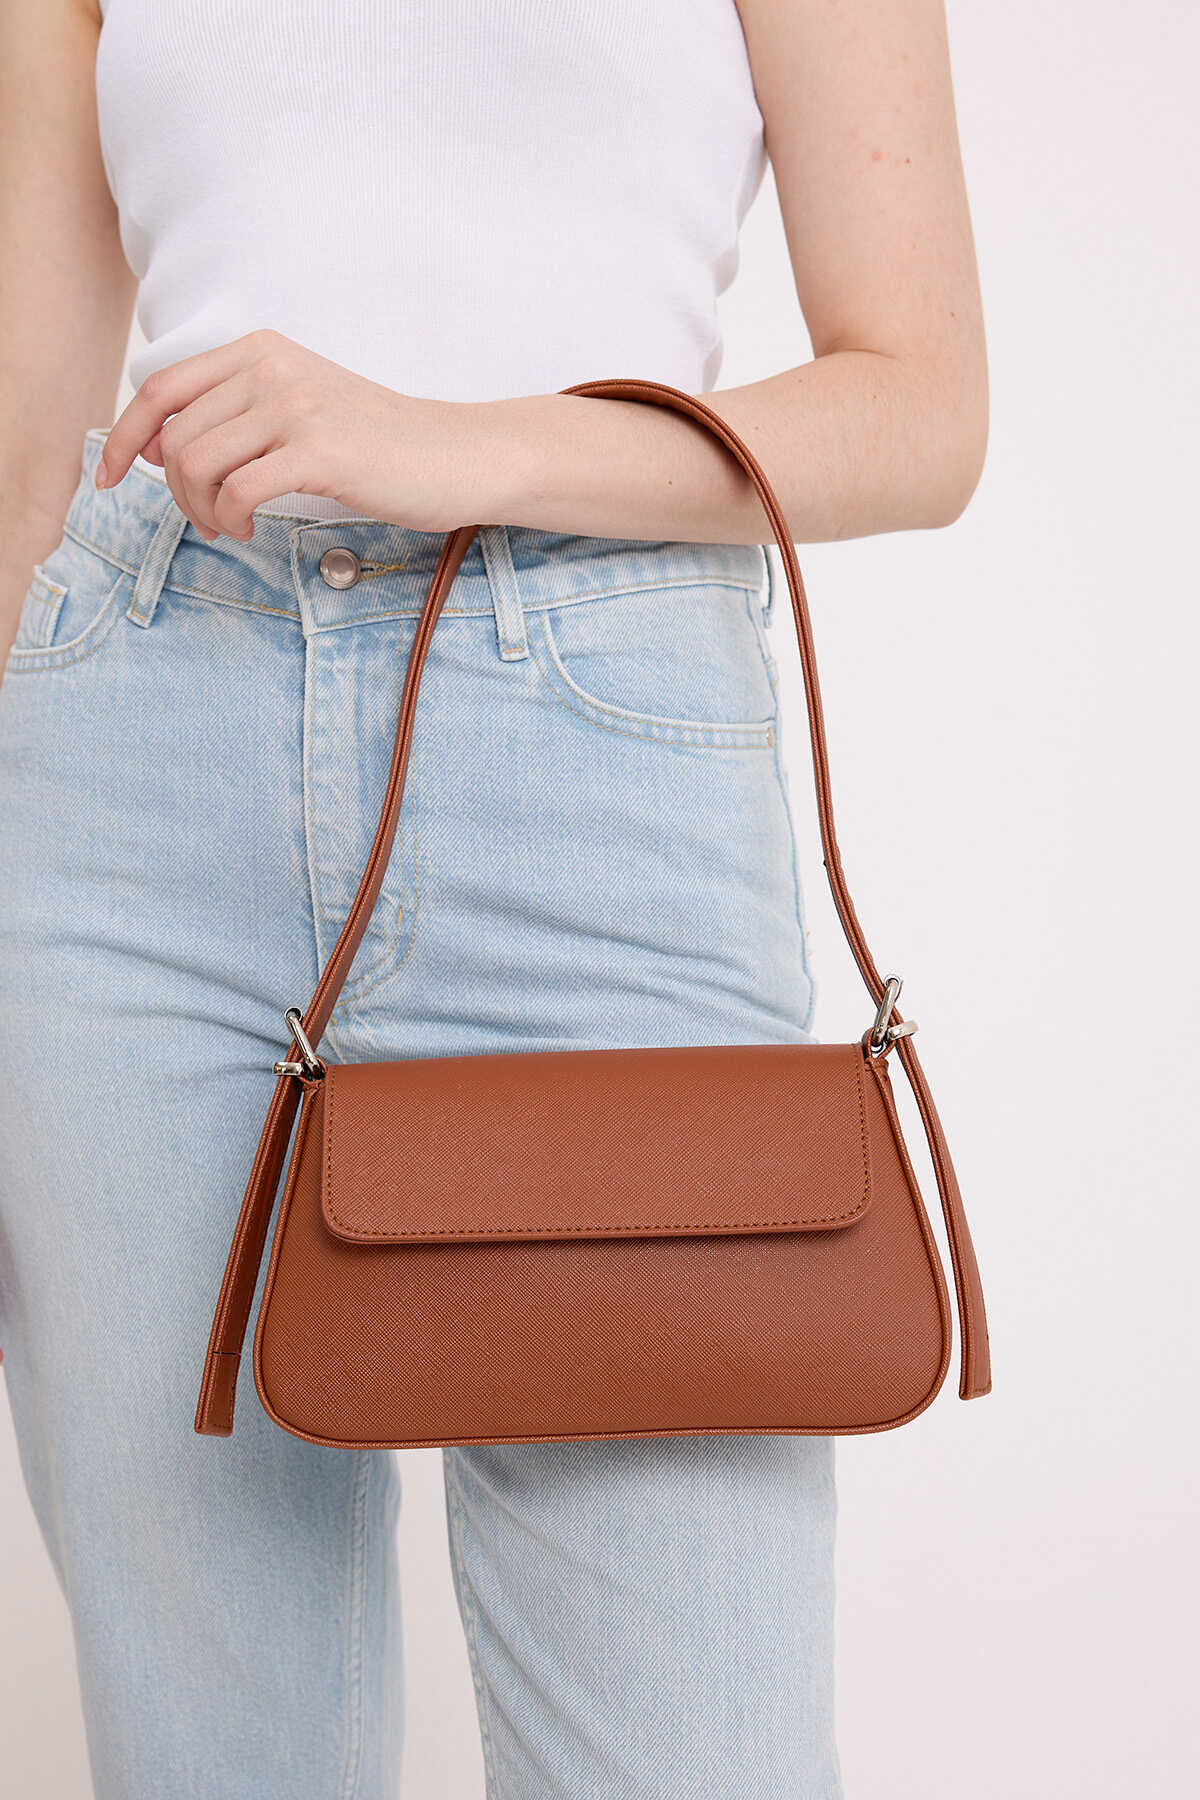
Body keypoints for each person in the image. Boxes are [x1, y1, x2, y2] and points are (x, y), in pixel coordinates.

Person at [0, 3, 987, 1796]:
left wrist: (464, 444)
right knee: (206, 1754)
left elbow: (922, 406)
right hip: (134, 753)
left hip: (601, 761)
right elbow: (23, 457)